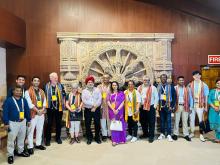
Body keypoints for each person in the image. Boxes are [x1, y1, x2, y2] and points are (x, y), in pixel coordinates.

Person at [3, 85, 31, 164]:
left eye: (20, 91)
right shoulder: (8, 100)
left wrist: (28, 120)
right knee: (11, 140)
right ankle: (10, 155)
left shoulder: (24, 100)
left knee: (21, 138)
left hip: (23, 122)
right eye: (17, 91)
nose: (19, 92)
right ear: (13, 91)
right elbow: (5, 112)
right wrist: (6, 123)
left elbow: (27, 110)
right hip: (12, 123)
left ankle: (20, 151)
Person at [25, 76, 46, 155]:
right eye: (35, 81)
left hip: (41, 114)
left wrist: (42, 110)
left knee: (40, 129)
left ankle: (38, 144)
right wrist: (37, 110)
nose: (36, 82)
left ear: (39, 82)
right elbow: (29, 104)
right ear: (32, 82)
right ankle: (30, 146)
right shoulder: (27, 92)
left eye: (38, 81)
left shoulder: (42, 91)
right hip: (32, 114)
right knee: (31, 130)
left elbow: (44, 101)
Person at [45, 72, 66, 146]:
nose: (56, 79)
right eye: (55, 77)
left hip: (58, 108)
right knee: (49, 124)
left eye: (57, 77)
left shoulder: (60, 85)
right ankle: (48, 139)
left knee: (58, 124)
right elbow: (45, 97)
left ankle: (58, 138)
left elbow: (64, 95)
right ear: (50, 78)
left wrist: (63, 105)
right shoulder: (46, 86)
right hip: (50, 108)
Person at [188, 71, 209, 142]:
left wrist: (206, 106)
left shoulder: (204, 85)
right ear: (193, 77)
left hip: (200, 104)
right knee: (192, 119)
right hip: (192, 104)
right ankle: (192, 132)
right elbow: (188, 96)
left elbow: (206, 96)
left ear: (200, 76)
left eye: (198, 75)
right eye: (195, 75)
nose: (196, 76)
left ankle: (201, 134)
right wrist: (189, 106)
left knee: (200, 119)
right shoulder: (190, 85)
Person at [82, 75, 102, 145]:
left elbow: (100, 99)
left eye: (91, 82)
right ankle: (89, 138)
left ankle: (97, 137)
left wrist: (95, 107)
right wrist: (93, 105)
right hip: (88, 110)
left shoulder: (97, 89)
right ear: (86, 83)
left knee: (97, 124)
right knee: (87, 124)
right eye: (89, 82)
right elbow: (84, 100)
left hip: (96, 109)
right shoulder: (84, 91)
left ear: (93, 83)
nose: (90, 83)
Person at [137, 76, 159, 143]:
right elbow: (138, 97)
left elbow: (156, 97)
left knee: (151, 122)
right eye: (144, 80)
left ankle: (151, 136)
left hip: (150, 107)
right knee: (143, 122)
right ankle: (145, 134)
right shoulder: (139, 88)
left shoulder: (153, 88)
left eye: (147, 80)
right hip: (142, 107)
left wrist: (154, 107)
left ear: (149, 81)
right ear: (142, 81)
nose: (146, 81)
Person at [172, 76, 193, 141]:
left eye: (182, 80)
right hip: (177, 106)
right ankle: (175, 134)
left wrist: (191, 107)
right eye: (180, 80)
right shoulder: (174, 88)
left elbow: (190, 98)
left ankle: (186, 134)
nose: (181, 81)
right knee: (176, 121)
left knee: (185, 121)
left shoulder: (187, 88)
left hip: (185, 106)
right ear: (177, 81)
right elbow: (172, 98)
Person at [157, 74, 176, 142]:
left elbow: (174, 96)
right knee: (161, 121)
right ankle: (162, 133)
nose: (163, 79)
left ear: (166, 78)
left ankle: (169, 134)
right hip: (160, 107)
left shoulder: (171, 86)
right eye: (162, 77)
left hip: (168, 107)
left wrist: (172, 106)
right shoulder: (158, 86)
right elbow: (156, 96)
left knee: (168, 121)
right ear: (160, 79)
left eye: (165, 77)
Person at [107, 81, 126, 146]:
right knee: (114, 125)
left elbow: (123, 102)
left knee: (120, 124)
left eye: (115, 85)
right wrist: (113, 109)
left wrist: (118, 109)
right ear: (111, 86)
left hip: (119, 111)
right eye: (113, 85)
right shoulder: (110, 94)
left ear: (117, 86)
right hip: (112, 111)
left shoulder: (121, 93)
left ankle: (121, 139)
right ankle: (114, 140)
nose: (114, 86)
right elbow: (108, 102)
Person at [97, 74, 111, 141]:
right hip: (102, 106)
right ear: (102, 78)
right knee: (102, 120)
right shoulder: (99, 86)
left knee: (110, 120)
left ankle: (110, 134)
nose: (105, 79)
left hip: (110, 106)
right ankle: (104, 135)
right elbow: (96, 95)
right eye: (104, 78)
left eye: (107, 78)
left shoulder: (111, 86)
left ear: (109, 79)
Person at [208, 79, 220, 143]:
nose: (219, 84)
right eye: (217, 83)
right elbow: (209, 100)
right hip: (213, 110)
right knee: (215, 123)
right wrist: (214, 107)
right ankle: (217, 138)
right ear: (216, 84)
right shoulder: (212, 91)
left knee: (219, 123)